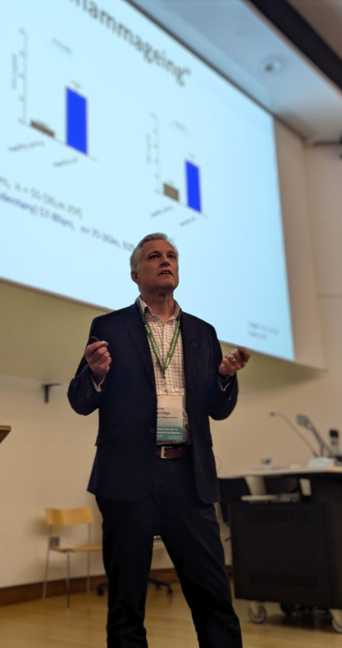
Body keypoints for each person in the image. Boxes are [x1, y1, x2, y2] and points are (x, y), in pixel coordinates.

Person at [68, 233, 250, 648]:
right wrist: (95, 373)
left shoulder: (204, 333)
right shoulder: (109, 327)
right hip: (129, 477)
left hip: (189, 477)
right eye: (154, 256)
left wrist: (223, 377)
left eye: (171, 256)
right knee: (126, 605)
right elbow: (80, 401)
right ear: (136, 273)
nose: (165, 261)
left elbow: (217, 409)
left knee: (214, 599)